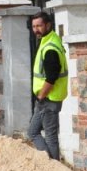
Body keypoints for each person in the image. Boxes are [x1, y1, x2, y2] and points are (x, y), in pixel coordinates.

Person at [28, 11, 67, 160]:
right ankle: (51, 165)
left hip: (48, 99)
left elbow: (52, 77)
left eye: (39, 25)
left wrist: (41, 96)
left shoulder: (50, 47)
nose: (36, 29)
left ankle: (53, 167)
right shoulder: (49, 40)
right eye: (33, 26)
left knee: (49, 136)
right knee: (33, 132)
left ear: (48, 25)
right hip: (47, 99)